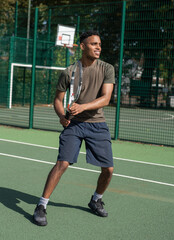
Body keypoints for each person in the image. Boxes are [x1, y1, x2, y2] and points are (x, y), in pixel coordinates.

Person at [33, 30, 115, 226]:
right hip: (74, 125)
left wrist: (83, 106)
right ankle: (41, 205)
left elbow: (106, 98)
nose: (98, 48)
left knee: (109, 170)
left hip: (97, 124)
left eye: (99, 44)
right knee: (62, 164)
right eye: (93, 44)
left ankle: (96, 200)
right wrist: (62, 116)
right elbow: (58, 100)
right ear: (83, 46)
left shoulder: (107, 68)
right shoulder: (68, 72)